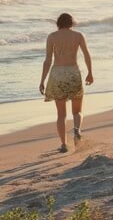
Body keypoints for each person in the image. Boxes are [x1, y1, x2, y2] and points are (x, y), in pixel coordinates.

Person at [39, 13, 93, 153]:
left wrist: (42, 80)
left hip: (57, 74)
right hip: (73, 73)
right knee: (77, 110)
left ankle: (64, 144)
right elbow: (87, 55)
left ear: (58, 23)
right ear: (71, 23)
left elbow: (48, 61)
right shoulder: (78, 36)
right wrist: (90, 73)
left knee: (61, 114)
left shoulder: (52, 37)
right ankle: (77, 130)